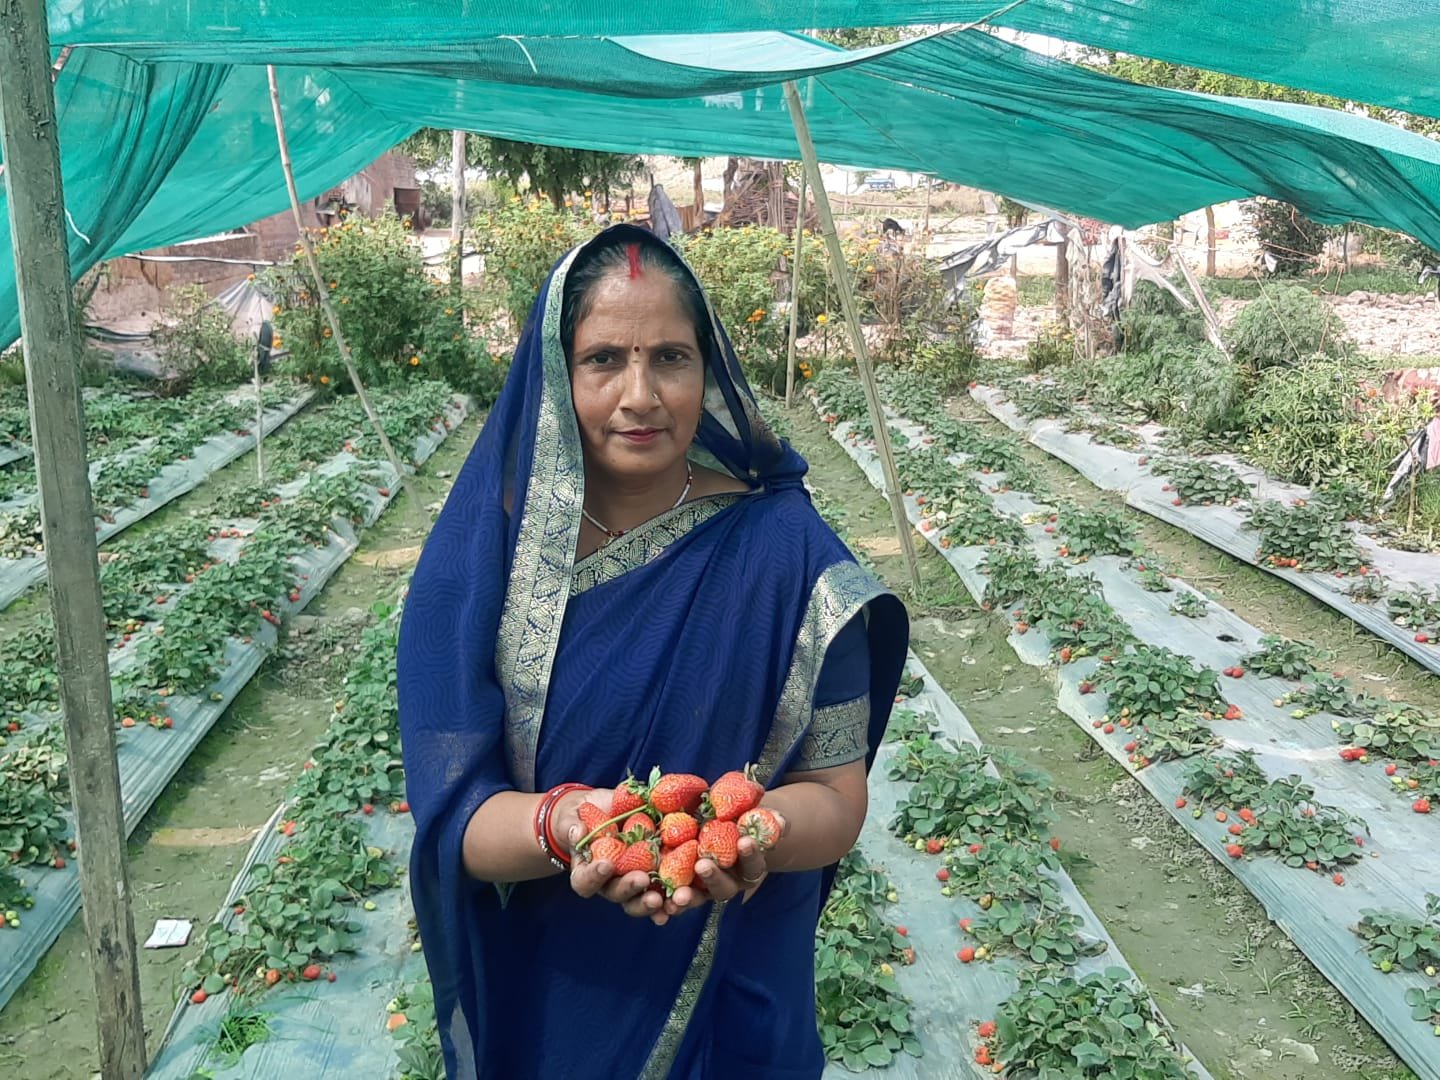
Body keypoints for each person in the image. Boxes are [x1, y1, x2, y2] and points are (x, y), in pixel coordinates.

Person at [398, 223, 908, 1079]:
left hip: (738, 994)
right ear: (555, 377)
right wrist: (569, 824)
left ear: (706, 373)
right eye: (604, 359)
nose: (641, 394)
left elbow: (835, 795)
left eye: (670, 357)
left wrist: (751, 838)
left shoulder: (787, 553)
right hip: (558, 991)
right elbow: (453, 817)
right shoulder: (484, 564)